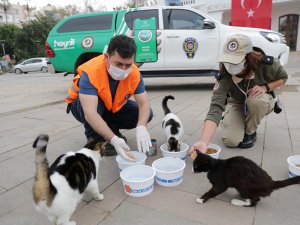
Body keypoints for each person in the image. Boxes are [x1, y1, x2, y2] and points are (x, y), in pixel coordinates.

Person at [191, 34, 288, 153]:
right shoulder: (224, 76)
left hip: (259, 98)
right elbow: (215, 108)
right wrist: (204, 142)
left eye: (235, 61)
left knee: (256, 103)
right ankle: (234, 119)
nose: (230, 66)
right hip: (236, 101)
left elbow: (283, 77)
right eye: (228, 60)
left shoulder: (266, 65)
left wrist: (266, 87)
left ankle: (250, 132)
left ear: (248, 58)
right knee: (231, 141)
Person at [65, 35, 153, 161]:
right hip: (81, 106)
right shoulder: (91, 71)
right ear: (106, 57)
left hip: (110, 105)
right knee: (97, 107)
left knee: (146, 114)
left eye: (128, 65)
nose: (123, 69)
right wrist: (113, 139)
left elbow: (144, 104)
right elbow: (90, 113)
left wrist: (141, 127)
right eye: (119, 64)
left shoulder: (134, 73)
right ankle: (94, 138)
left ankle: (110, 129)